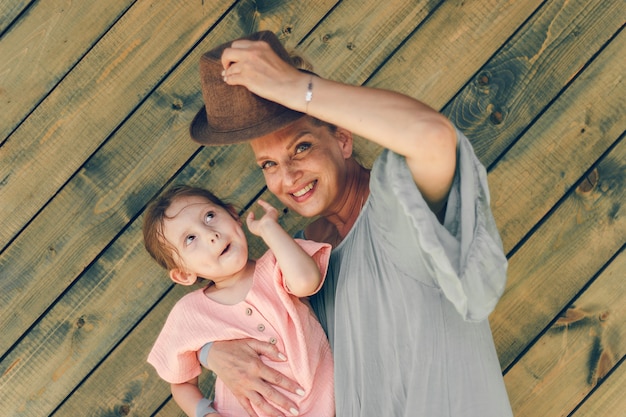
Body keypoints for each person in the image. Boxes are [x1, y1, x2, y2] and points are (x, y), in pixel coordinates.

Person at [189, 31, 513, 416]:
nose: (288, 177)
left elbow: (432, 136)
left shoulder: (399, 203)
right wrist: (212, 352)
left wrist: (296, 88)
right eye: (269, 164)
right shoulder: (297, 259)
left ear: (342, 140)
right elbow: (240, 319)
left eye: (302, 147)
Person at [143, 185, 334, 417]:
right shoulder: (189, 313)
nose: (210, 234)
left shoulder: (277, 263)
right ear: (183, 274)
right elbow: (181, 383)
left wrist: (269, 229)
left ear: (234, 215)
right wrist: (205, 413)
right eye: (190, 238)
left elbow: (307, 281)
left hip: (329, 403)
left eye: (210, 216)